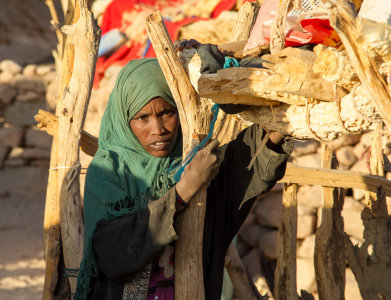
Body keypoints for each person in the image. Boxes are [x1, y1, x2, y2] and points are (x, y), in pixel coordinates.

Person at [75, 54, 293, 300]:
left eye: (167, 112)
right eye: (142, 118)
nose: (158, 129)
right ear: (125, 121)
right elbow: (113, 254)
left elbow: (246, 163)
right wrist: (183, 191)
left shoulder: (198, 162)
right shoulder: (108, 173)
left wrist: (281, 117)